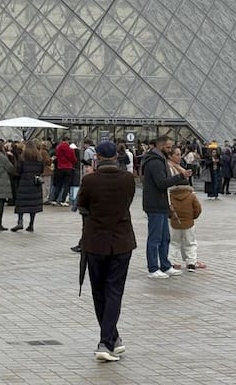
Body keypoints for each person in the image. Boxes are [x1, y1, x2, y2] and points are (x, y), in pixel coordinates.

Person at [76, 140, 136, 362]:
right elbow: (127, 202)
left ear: (97, 157)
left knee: (99, 291)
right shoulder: (128, 179)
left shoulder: (90, 180)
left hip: (96, 242)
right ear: (116, 157)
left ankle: (105, 342)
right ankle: (113, 337)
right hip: (121, 241)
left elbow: (81, 205)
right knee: (114, 291)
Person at [140, 135, 190, 279]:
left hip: (160, 203)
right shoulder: (155, 162)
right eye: (168, 147)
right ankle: (153, 268)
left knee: (164, 237)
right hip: (155, 203)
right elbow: (161, 183)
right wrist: (180, 176)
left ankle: (165, 265)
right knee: (155, 238)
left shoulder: (159, 159)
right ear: (160, 146)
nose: (170, 149)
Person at [167, 146, 204, 272]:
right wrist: (193, 216)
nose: (179, 156)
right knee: (190, 242)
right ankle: (191, 262)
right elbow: (198, 208)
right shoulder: (171, 168)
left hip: (175, 220)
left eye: (179, 154)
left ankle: (171, 261)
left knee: (174, 242)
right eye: (176, 154)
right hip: (188, 221)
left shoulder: (174, 195)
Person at [12, 141, 44, 232]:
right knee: (33, 205)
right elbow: (41, 170)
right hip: (35, 184)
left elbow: (18, 170)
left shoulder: (23, 157)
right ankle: (31, 224)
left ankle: (20, 221)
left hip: (24, 183)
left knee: (21, 203)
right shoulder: (39, 157)